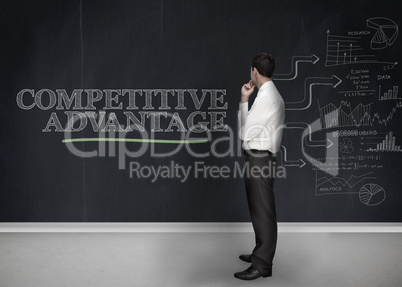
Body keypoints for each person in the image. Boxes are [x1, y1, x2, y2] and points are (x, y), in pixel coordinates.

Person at [235, 53, 285, 280]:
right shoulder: (267, 94)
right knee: (260, 211)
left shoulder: (266, 97)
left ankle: (262, 265)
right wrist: (246, 99)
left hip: (260, 159)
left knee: (263, 213)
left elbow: (244, 132)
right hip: (260, 157)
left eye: (250, 71)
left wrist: (244, 101)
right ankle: (259, 254)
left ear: (254, 70)